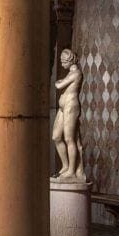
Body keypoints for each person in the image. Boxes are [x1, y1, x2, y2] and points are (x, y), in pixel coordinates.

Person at [51, 48, 84, 180]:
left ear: (70, 60)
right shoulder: (70, 74)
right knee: (56, 137)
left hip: (71, 107)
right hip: (63, 108)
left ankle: (71, 170)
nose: (61, 64)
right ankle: (65, 166)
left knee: (70, 139)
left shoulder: (76, 73)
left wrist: (57, 82)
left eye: (63, 61)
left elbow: (59, 86)